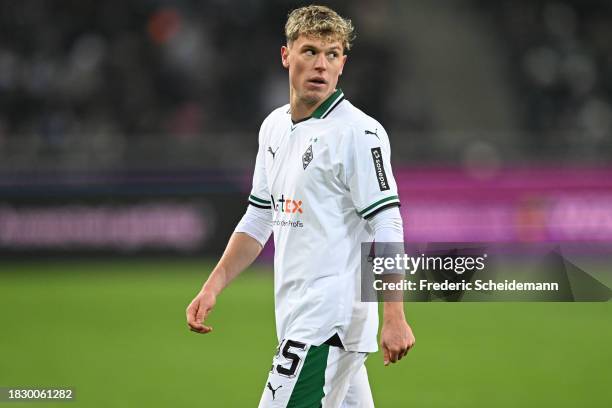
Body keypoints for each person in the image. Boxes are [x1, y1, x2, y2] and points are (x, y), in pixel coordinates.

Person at [186, 5, 415, 407]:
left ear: (343, 62)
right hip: (303, 318)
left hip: (326, 323)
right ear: (286, 55)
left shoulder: (359, 133)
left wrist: (395, 314)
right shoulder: (273, 127)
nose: (321, 65)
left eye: (332, 54)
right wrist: (214, 284)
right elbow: (259, 217)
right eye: (310, 51)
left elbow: (388, 224)